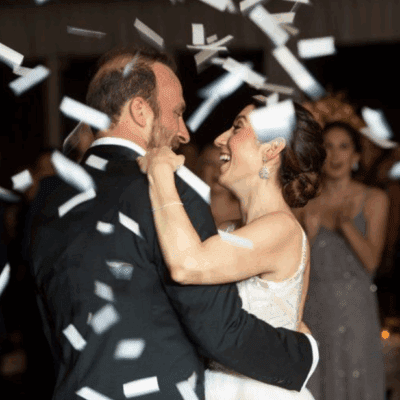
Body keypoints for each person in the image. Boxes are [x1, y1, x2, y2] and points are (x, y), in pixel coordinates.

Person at [27, 46, 318, 400]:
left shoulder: (47, 199)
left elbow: (45, 322)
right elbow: (216, 326)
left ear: (272, 149)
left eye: (237, 127)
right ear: (140, 111)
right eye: (178, 113)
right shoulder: (175, 199)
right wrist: (304, 354)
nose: (187, 133)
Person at [137, 101, 325, 399]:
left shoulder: (282, 229)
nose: (219, 139)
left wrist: (160, 172)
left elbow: (188, 264)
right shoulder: (228, 230)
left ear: (272, 148)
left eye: (237, 127)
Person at [295, 121, 388, 400]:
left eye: (344, 147)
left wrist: (345, 224)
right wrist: (309, 235)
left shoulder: (373, 198)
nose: (335, 155)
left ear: (356, 156)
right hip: (313, 308)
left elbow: (372, 262)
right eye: (328, 147)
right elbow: (292, 266)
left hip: (355, 310)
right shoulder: (304, 201)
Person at [195, 144, 241, 228]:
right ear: (201, 167)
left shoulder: (246, 212)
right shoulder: (188, 208)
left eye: (224, 163)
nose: (217, 169)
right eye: (210, 163)